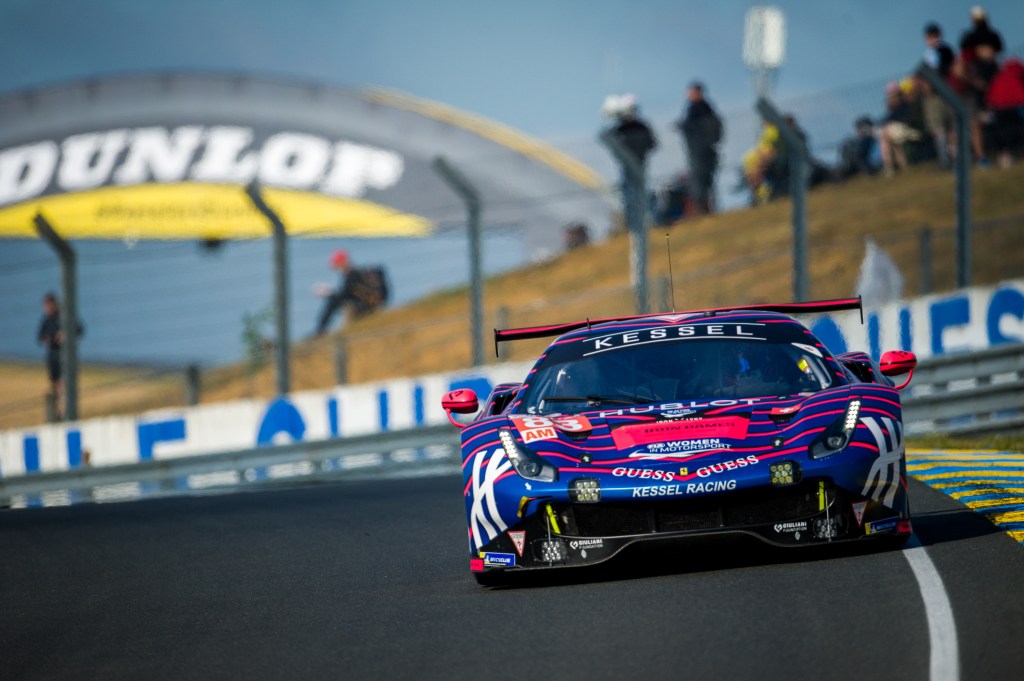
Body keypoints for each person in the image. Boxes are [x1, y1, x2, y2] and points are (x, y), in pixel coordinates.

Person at [604, 94, 657, 234]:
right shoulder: (634, 127)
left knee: (635, 193)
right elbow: (652, 144)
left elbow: (651, 143)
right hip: (633, 166)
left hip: (636, 166)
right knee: (632, 194)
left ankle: (640, 222)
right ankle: (635, 223)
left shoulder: (626, 129)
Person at [314, 249, 390, 335]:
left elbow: (341, 297)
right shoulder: (360, 274)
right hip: (375, 304)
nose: (337, 269)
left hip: (367, 307)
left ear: (342, 263)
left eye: (337, 266)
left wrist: (328, 294)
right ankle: (322, 328)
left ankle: (321, 329)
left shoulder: (351, 276)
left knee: (335, 301)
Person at [675, 81, 723, 214]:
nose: (689, 95)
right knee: (707, 180)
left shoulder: (695, 110)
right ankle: (707, 207)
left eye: (691, 92)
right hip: (708, 149)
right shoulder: (708, 109)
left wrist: (683, 126)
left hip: (698, 151)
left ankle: (701, 208)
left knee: (698, 179)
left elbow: (693, 127)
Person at [37, 292, 83, 409]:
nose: (47, 309)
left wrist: (65, 334)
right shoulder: (46, 320)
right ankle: (61, 408)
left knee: (65, 383)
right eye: (45, 306)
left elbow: (79, 329)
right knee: (55, 383)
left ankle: (66, 408)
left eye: (49, 306)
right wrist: (49, 339)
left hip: (65, 356)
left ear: (55, 304)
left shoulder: (65, 316)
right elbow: (40, 338)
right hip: (52, 358)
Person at [922, 22, 956, 168]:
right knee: (938, 128)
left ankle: (955, 157)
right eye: (931, 36)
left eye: (935, 36)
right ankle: (944, 160)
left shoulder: (946, 51)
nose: (934, 39)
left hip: (947, 92)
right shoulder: (927, 55)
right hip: (934, 96)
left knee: (951, 127)